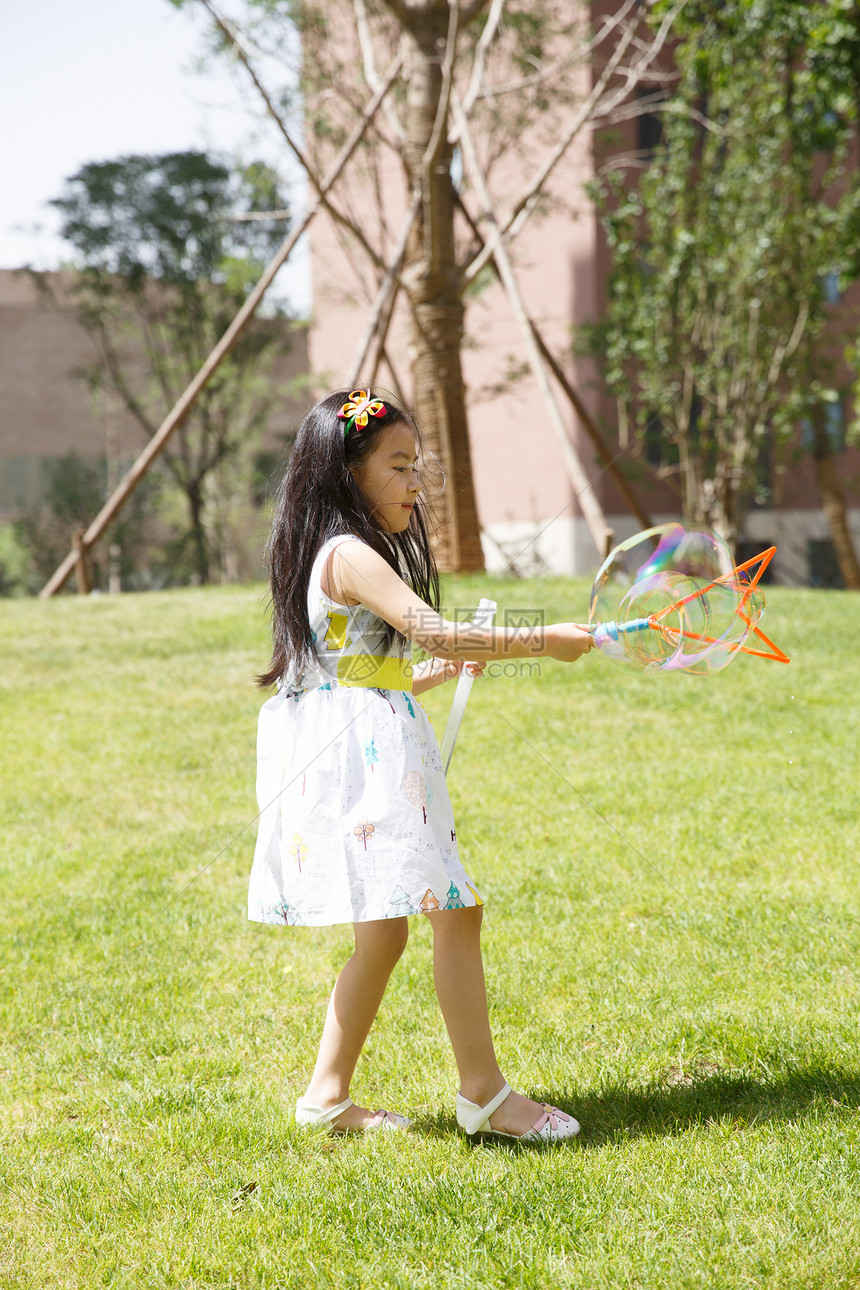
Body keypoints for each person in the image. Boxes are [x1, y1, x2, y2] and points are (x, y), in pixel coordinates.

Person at [249, 388, 594, 1142]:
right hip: (373, 766)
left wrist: (435, 677)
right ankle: (485, 1096)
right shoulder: (350, 554)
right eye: (400, 466)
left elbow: (366, 668)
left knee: (384, 935)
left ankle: (326, 1099)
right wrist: (552, 641)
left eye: (418, 467)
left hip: (366, 748)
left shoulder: (335, 553)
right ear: (348, 472)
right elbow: (438, 634)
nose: (416, 484)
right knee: (455, 909)